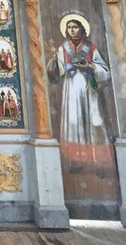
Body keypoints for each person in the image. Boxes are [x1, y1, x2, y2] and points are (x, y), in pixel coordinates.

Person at [47, 17, 114, 177]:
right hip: (71, 89)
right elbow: (58, 71)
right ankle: (77, 160)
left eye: (75, 27)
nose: (72, 30)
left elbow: (104, 70)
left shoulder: (91, 47)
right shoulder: (63, 48)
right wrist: (54, 61)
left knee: (94, 121)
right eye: (69, 27)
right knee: (74, 122)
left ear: (81, 29)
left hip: (89, 87)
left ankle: (98, 161)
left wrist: (90, 66)